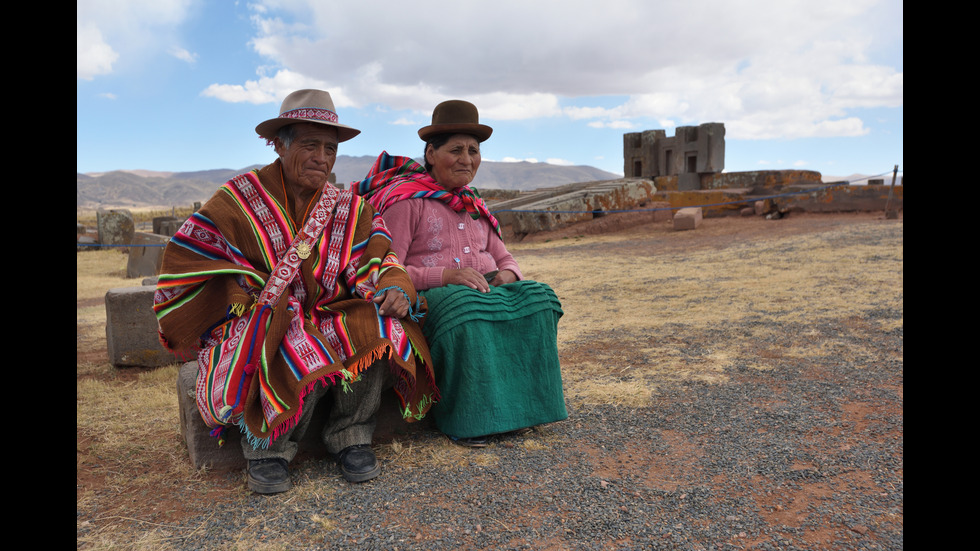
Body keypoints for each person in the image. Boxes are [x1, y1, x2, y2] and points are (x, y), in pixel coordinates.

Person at [153, 89, 438, 493]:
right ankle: (268, 449)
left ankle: (351, 435)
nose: (322, 157)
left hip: (328, 308)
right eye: (309, 145)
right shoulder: (238, 200)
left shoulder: (348, 208)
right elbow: (190, 256)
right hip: (264, 313)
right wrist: (241, 298)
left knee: (378, 327)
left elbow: (380, 252)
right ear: (279, 145)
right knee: (285, 335)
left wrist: (394, 284)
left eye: (330, 148)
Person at [354, 100, 567, 447]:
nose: (467, 159)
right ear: (431, 154)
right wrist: (446, 276)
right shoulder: (407, 202)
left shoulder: (475, 205)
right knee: (464, 309)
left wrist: (509, 276)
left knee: (540, 298)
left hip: (483, 289)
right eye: (456, 150)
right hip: (435, 299)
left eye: (473, 150)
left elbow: (505, 257)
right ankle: (468, 421)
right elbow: (387, 267)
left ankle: (525, 409)